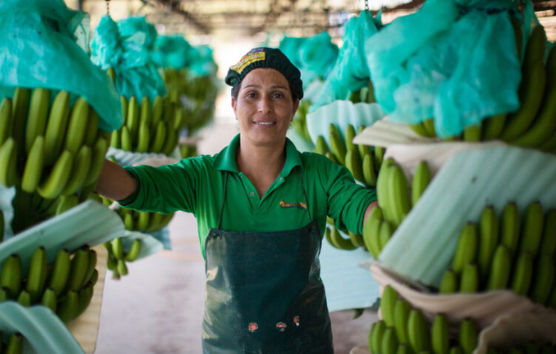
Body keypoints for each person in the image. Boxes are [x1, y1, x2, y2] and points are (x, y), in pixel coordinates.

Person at [97, 47, 378, 354]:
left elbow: (361, 207)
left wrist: (392, 221)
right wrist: (80, 165)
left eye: (278, 96)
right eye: (251, 95)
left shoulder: (318, 174)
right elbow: (136, 186)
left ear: (295, 106)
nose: (264, 107)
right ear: (233, 104)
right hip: (227, 347)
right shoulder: (204, 176)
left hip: (306, 345)